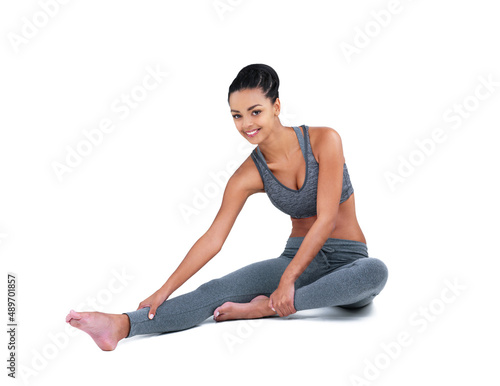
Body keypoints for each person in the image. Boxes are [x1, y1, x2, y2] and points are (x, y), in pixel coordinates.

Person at [66, 63, 388, 351]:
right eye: (237, 115)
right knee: (217, 289)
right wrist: (165, 289)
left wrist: (286, 284)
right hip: (296, 257)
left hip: (348, 260)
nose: (246, 123)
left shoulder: (324, 140)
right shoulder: (247, 175)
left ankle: (267, 308)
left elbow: (327, 218)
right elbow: (213, 239)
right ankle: (122, 325)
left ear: (276, 106)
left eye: (255, 111)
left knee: (375, 272)